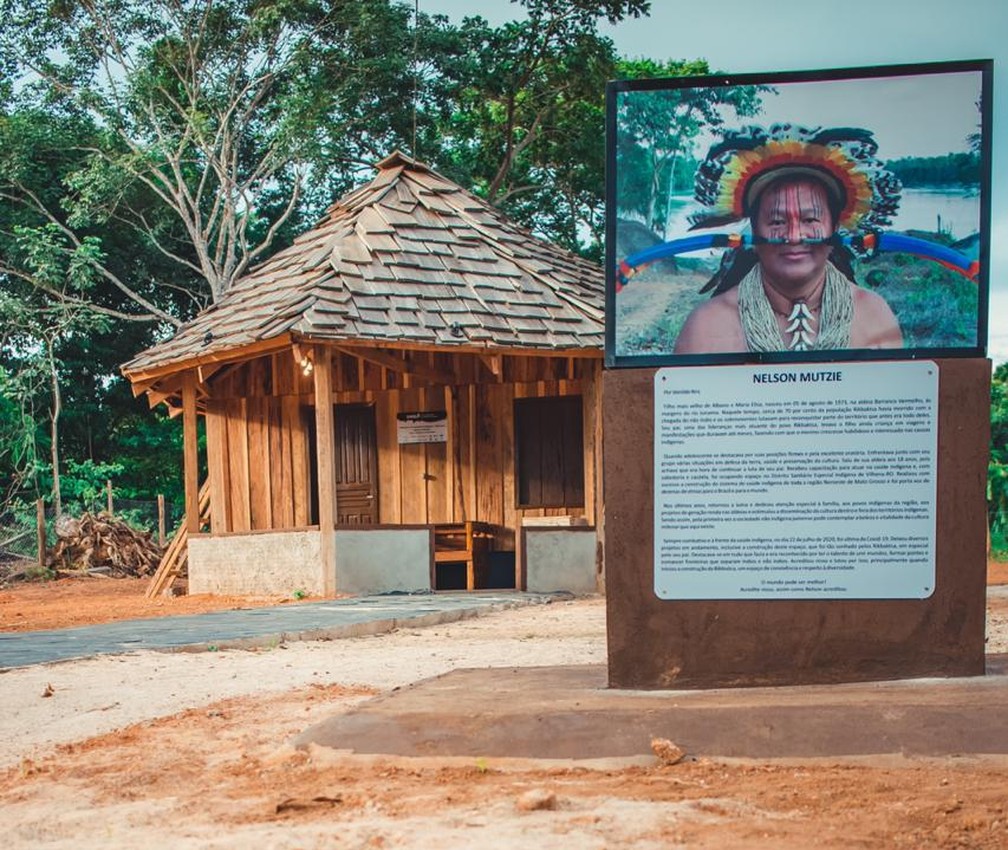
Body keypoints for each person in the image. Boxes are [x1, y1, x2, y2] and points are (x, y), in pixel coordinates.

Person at [673, 125, 903, 354]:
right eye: (777, 222)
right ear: (753, 230)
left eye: (810, 219)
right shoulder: (704, 331)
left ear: (834, 228)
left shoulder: (876, 319)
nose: (793, 236)